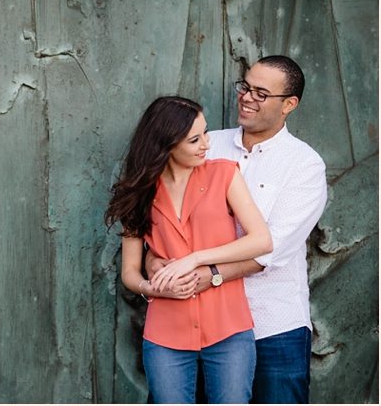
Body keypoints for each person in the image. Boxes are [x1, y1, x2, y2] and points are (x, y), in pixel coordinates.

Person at [146, 55, 328, 404]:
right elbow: (165, 216)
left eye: (261, 93)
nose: (246, 97)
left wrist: (207, 274)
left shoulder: (303, 165)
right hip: (194, 322)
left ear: (289, 104)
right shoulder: (205, 143)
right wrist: (156, 262)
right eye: (245, 86)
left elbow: (271, 250)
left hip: (273, 325)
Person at [105, 96, 272, 404]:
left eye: (206, 133)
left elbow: (261, 240)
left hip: (229, 330)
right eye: (195, 139)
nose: (206, 144)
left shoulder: (224, 174)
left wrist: (195, 260)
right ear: (166, 145)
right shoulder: (139, 192)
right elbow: (130, 270)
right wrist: (151, 288)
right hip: (165, 335)